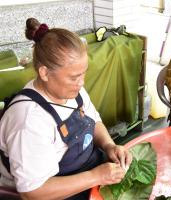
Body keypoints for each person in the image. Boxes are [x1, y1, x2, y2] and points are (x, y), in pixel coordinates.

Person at [0, 18, 132, 199]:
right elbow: (32, 192)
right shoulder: (28, 121)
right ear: (44, 73)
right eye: (74, 77)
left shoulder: (71, 91)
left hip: (87, 169)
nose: (82, 82)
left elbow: (94, 120)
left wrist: (109, 145)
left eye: (83, 73)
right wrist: (97, 176)